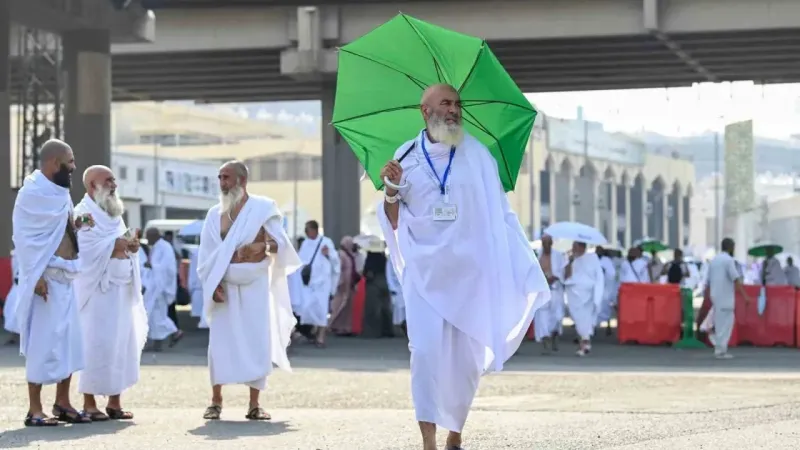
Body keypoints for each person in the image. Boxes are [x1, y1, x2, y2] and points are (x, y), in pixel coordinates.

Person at [377, 83, 550, 450]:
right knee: (423, 353)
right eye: (446, 103)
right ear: (425, 111)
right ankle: (428, 441)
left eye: (457, 104)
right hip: (424, 273)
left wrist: (513, 262)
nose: (454, 110)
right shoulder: (404, 155)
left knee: (466, 362)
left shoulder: (478, 156)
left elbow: (498, 215)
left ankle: (455, 432)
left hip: (471, 275)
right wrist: (391, 189)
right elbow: (393, 220)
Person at [197, 160, 300, 421]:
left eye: (227, 177)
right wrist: (214, 285)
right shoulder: (213, 215)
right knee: (219, 344)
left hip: (254, 284)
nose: (222, 183)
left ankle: (254, 404)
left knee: (257, 341)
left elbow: (281, 246)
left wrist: (262, 247)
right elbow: (207, 256)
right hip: (225, 285)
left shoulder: (263, 209)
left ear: (242, 181)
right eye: (220, 177)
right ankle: (215, 401)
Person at [12, 139, 93, 426]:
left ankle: (63, 402)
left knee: (69, 343)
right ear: (53, 163)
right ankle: (34, 409)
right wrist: (35, 278)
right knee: (43, 345)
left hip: (66, 277)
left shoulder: (60, 193)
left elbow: (60, 228)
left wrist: (79, 222)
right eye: (69, 162)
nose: (74, 167)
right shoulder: (31, 193)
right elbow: (25, 240)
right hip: (44, 281)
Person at [73, 166, 148, 421]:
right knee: (95, 345)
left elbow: (120, 242)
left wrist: (131, 246)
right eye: (108, 180)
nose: (114, 184)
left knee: (121, 345)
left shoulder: (113, 211)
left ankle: (115, 402)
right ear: (93, 186)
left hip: (121, 289)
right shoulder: (83, 213)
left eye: (114, 179)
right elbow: (83, 249)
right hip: (97, 293)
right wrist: (116, 245)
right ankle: (89, 403)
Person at [295, 220, 340, 348]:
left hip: (322, 283)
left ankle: (321, 337)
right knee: (306, 308)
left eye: (308, 230)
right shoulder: (305, 243)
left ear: (314, 230)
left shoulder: (326, 242)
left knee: (321, 310)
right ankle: (312, 331)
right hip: (308, 282)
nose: (306, 233)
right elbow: (300, 260)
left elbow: (336, 261)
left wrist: (328, 254)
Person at [705, 238, 750, 359]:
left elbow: (708, 281)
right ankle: (720, 350)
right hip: (725, 296)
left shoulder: (714, 260)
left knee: (720, 323)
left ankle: (719, 348)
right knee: (725, 324)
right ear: (730, 247)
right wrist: (745, 296)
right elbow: (735, 278)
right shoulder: (729, 261)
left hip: (715, 296)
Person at [563, 241, 604, 356]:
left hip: (588, 294)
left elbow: (598, 276)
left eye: (575, 246)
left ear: (582, 247)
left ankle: (585, 343)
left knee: (585, 319)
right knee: (577, 318)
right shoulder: (570, 259)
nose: (573, 249)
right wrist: (570, 262)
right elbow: (566, 276)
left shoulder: (592, 258)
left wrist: (597, 294)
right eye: (573, 246)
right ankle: (584, 341)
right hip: (574, 294)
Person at [142, 228, 178, 351]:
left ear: (155, 235)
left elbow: (168, 268)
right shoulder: (156, 247)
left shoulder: (165, 247)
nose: (147, 240)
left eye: (148, 237)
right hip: (154, 286)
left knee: (158, 316)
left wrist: (152, 266)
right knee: (153, 316)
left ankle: (175, 332)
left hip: (160, 288)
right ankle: (157, 344)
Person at [533, 233, 567, 352]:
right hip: (543, 290)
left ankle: (554, 336)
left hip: (556, 289)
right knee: (542, 315)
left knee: (557, 315)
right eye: (544, 243)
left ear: (552, 243)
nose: (546, 245)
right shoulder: (537, 256)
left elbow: (563, 272)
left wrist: (555, 277)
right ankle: (545, 338)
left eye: (548, 242)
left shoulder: (559, 256)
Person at [328, 236, 359, 335]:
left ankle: (344, 327)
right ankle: (330, 325)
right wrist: (339, 282)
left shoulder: (349, 254)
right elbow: (338, 270)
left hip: (349, 284)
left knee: (347, 308)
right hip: (342, 285)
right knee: (338, 306)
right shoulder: (341, 255)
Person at [162, 230, 185, 346]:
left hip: (171, 280)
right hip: (165, 280)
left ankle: (175, 331)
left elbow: (179, 257)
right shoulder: (162, 248)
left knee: (169, 307)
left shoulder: (171, 247)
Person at [3, 249, 20, 344]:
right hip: (18, 285)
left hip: (28, 284)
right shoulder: (16, 255)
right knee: (10, 309)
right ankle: (14, 335)